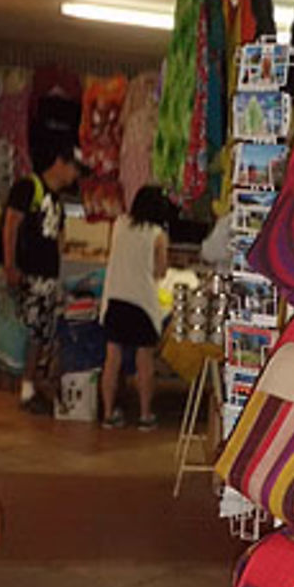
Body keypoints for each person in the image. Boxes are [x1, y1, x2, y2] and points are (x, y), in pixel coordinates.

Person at [2, 140, 79, 414]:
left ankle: (32, 384)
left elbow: (57, 237)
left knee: (43, 333)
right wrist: (10, 264)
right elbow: (11, 224)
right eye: (73, 168)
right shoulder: (28, 188)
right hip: (30, 274)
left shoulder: (56, 200)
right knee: (32, 332)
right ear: (60, 162)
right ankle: (26, 386)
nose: (75, 176)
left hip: (48, 276)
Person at [99, 184, 170, 430]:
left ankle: (108, 413)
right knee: (144, 362)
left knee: (112, 359)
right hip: (142, 303)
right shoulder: (157, 235)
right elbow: (160, 272)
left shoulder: (119, 224)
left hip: (115, 299)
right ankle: (145, 414)